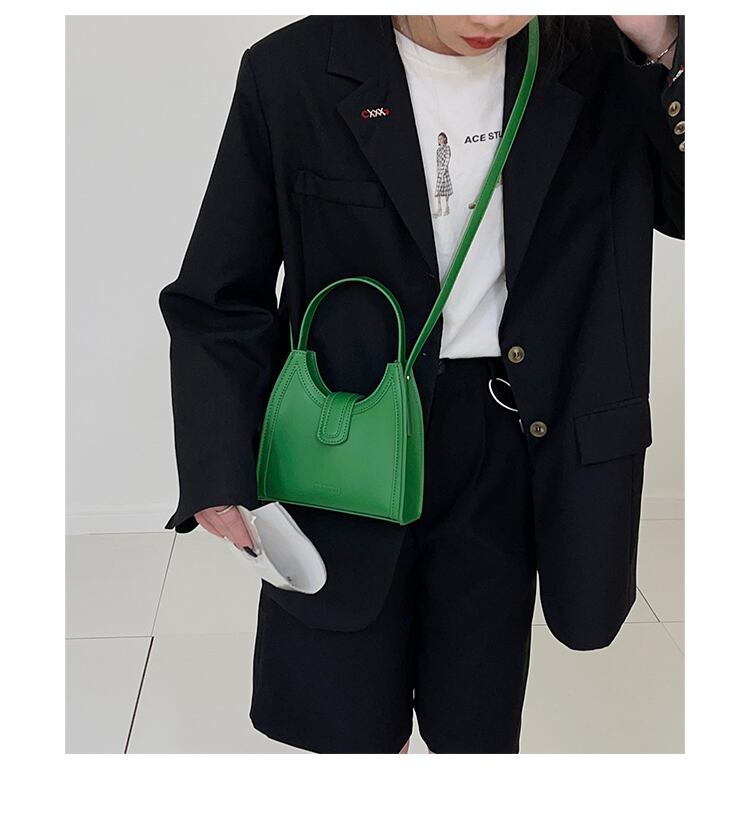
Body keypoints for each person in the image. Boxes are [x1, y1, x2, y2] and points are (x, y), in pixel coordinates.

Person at [158, 15, 685, 754]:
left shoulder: (594, 61)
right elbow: (220, 293)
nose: (491, 17)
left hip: (505, 439)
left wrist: (666, 44)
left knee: (474, 723)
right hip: (341, 438)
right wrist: (218, 466)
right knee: (346, 719)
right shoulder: (293, 71)